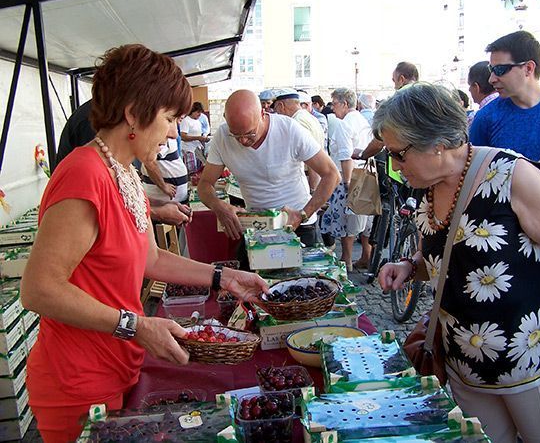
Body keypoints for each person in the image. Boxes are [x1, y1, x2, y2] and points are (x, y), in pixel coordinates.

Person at [21, 45, 269, 442]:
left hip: (118, 364)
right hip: (79, 381)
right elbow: (39, 289)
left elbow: (149, 257)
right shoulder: (84, 175)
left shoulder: (124, 171)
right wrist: (134, 325)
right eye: (169, 118)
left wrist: (223, 277)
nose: (174, 131)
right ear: (134, 114)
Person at [375, 82, 540, 443]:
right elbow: (448, 254)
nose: (394, 165)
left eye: (399, 154)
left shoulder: (512, 176)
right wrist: (409, 265)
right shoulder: (430, 185)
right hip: (468, 370)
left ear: (437, 144)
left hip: (538, 363)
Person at [197, 89, 339, 246]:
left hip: (297, 225)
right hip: (257, 225)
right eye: (236, 135)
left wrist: (303, 214)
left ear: (263, 114)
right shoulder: (222, 136)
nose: (243, 141)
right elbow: (204, 185)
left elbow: (331, 174)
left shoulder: (289, 129)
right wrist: (219, 207)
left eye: (250, 134)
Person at [56, 97, 192, 226]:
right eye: (169, 119)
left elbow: (118, 200)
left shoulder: (123, 166)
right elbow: (101, 208)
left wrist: (157, 204)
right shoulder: (88, 169)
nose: (174, 134)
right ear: (132, 114)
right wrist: (157, 212)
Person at [469, 30, 540, 161]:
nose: (492, 79)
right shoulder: (485, 118)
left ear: (528, 68)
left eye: (500, 70)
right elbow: (475, 171)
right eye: (491, 70)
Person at [331, 88, 373, 269]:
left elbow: (345, 156)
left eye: (334, 104)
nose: (332, 108)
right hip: (368, 173)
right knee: (366, 222)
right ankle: (366, 256)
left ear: (344, 104)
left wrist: (347, 183)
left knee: (348, 222)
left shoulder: (344, 124)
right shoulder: (362, 119)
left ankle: (346, 259)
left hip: (352, 176)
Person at [467, 61, 499, 128]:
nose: (469, 89)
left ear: (476, 87)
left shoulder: (475, 118)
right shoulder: (511, 107)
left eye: (470, 85)